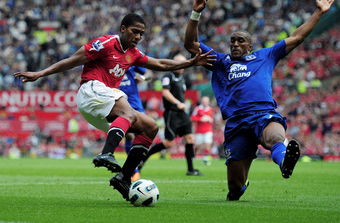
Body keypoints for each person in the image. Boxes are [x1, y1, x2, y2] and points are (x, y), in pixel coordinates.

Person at [14, 13, 216, 201]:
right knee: (128, 109)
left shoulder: (133, 54)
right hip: (91, 90)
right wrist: (40, 74)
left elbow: (161, 64)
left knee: (150, 127)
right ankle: (107, 153)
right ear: (123, 29)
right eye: (135, 31)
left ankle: (124, 177)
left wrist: (191, 63)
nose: (138, 36)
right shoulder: (105, 43)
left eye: (142, 34)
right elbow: (73, 60)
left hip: (101, 105)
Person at [184, 0, 334, 200]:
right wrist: (196, 13)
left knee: (275, 137)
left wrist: (318, 12)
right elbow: (191, 45)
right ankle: (242, 184)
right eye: (233, 41)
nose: (235, 44)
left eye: (241, 41)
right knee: (235, 189)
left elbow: (297, 37)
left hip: (262, 113)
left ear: (250, 46)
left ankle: (284, 162)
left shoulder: (266, 55)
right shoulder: (221, 61)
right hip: (236, 123)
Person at [138, 53, 204, 176]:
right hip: (172, 113)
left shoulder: (183, 78)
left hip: (182, 114)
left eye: (183, 63)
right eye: (179, 63)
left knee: (190, 138)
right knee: (169, 143)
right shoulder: (168, 76)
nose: (181, 66)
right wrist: (178, 103)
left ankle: (191, 169)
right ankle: (143, 159)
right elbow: (165, 92)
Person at [119, 65, 152, 181]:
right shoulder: (111, 62)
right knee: (129, 135)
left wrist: (143, 77)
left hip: (136, 103)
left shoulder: (131, 60)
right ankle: (134, 170)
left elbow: (149, 73)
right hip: (120, 104)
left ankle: (134, 166)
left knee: (143, 134)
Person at [191, 96, 214, 165]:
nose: (205, 103)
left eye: (206, 101)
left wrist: (210, 120)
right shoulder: (197, 109)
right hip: (199, 130)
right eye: (204, 101)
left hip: (208, 130)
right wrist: (200, 119)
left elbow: (212, 119)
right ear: (201, 102)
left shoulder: (210, 109)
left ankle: (206, 158)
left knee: (208, 142)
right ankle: (193, 154)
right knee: (198, 145)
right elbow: (192, 118)